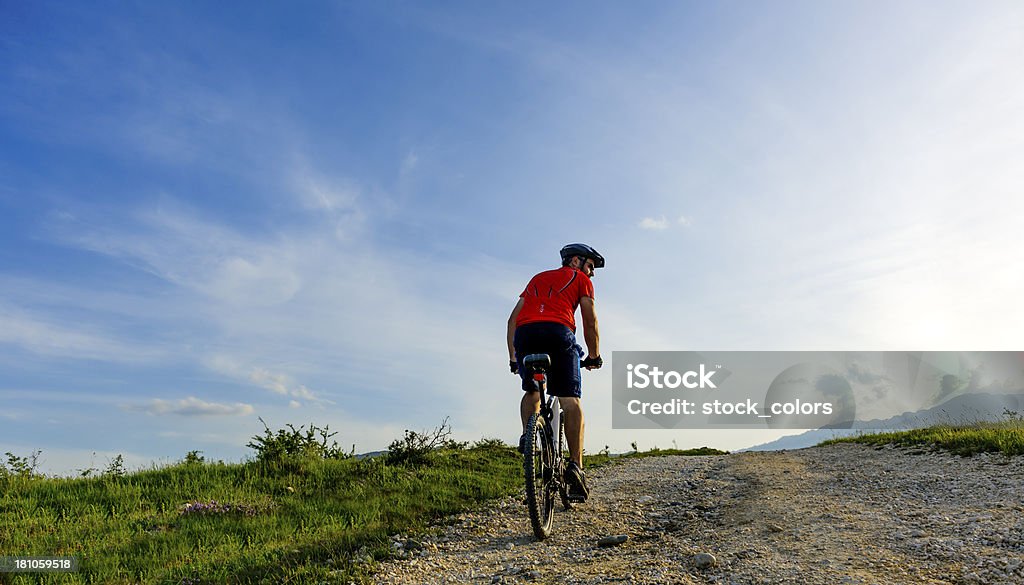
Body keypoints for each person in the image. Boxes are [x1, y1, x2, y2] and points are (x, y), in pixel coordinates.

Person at [507, 243, 603, 502]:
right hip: (557, 332)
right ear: (575, 262)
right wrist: (594, 356)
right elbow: (589, 320)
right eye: (590, 266)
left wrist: (513, 359)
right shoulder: (579, 279)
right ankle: (576, 466)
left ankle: (530, 440)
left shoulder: (537, 278)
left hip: (525, 335)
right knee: (570, 401)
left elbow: (512, 321)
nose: (591, 273)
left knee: (532, 390)